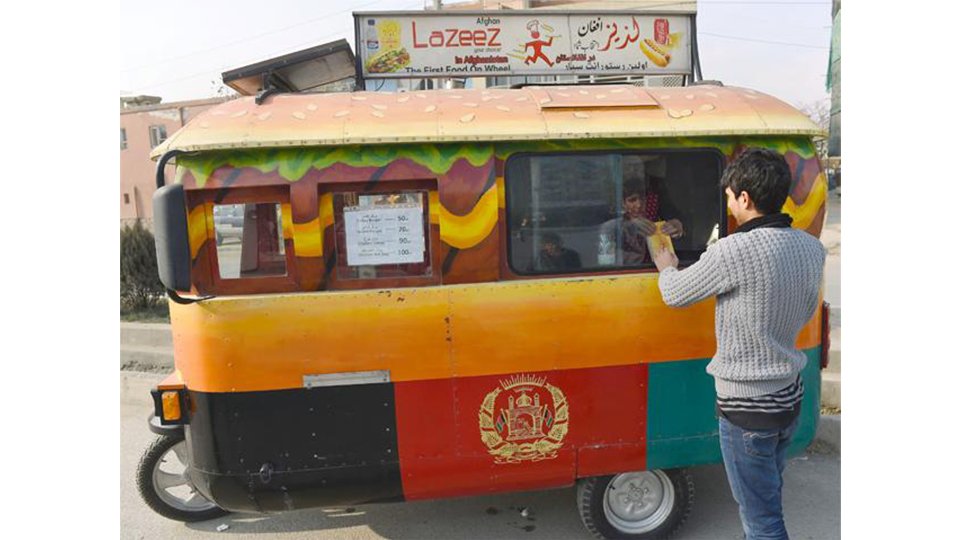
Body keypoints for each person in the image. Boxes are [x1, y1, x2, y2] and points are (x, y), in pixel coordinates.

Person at [652, 148, 826, 540]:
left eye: (729, 197)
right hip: (787, 397)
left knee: (762, 521)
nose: (728, 205)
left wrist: (667, 268)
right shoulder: (811, 247)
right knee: (766, 497)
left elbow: (676, 294)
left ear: (745, 198)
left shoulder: (734, 251)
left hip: (747, 408)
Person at [599, 176, 683, 265]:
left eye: (643, 199)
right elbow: (606, 260)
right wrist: (630, 226)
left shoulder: (655, 215)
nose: (639, 205)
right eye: (632, 200)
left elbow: (678, 228)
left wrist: (677, 227)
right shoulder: (610, 226)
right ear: (623, 203)